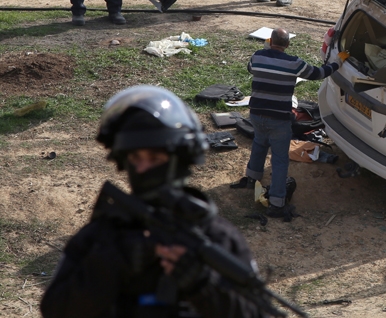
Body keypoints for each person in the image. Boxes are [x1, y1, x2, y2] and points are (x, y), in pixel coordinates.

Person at [41, 86, 267, 317]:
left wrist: (203, 285)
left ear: (179, 160)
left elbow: (257, 313)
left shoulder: (217, 238)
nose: (142, 168)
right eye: (135, 157)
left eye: (155, 158)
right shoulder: (103, 235)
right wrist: (113, 260)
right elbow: (55, 310)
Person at [234, 28, 349, 218]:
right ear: (287, 45)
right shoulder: (294, 63)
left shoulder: (257, 57)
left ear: (270, 41)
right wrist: (337, 62)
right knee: (279, 160)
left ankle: (251, 179)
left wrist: (266, 50)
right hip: (278, 120)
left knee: (259, 143)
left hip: (256, 115)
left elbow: (250, 68)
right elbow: (318, 73)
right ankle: (277, 204)